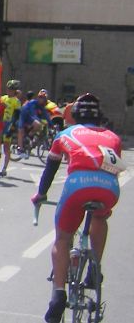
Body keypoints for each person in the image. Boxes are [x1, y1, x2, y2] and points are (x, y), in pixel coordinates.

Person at [32, 93, 122, 323]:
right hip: (109, 189)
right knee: (100, 218)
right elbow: (114, 168)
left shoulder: (65, 134)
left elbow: (50, 169)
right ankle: (95, 269)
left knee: (63, 238)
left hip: (77, 187)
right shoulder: (113, 137)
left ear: (75, 116)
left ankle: (58, 295)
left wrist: (41, 194)